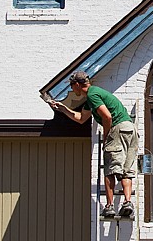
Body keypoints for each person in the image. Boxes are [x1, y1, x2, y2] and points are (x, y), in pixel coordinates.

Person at [49, 70, 137, 217]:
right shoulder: (93, 97)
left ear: (77, 84)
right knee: (126, 170)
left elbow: (107, 117)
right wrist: (63, 109)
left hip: (118, 129)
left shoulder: (92, 94)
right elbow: (81, 118)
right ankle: (127, 202)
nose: (71, 89)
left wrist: (108, 136)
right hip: (129, 129)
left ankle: (109, 206)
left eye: (72, 86)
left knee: (110, 169)